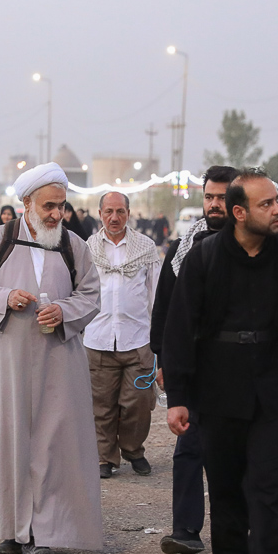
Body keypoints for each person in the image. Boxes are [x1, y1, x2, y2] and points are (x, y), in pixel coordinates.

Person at [163, 168, 278, 554]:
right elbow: (179, 331)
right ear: (238, 212)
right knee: (227, 491)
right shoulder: (205, 257)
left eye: (277, 201)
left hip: (272, 393)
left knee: (269, 491)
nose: (277, 210)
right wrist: (179, 397)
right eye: (267, 204)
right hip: (218, 393)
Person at [0, 162, 102, 554]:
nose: (57, 213)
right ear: (27, 204)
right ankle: (13, 528)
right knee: (10, 439)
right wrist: (4, 298)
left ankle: (44, 533)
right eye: (49, 206)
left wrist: (63, 312)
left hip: (60, 361)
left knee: (54, 444)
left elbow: (91, 295)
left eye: (62, 206)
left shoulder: (74, 245)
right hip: (9, 361)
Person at [150, 164, 237, 554]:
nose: (215, 204)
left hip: (242, 370)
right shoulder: (187, 245)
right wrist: (163, 359)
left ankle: (241, 535)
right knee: (188, 447)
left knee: (239, 456)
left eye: (222, 197)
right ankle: (185, 531)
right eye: (209, 197)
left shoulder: (261, 245)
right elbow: (166, 308)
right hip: (196, 367)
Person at [84, 191, 161, 479]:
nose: (114, 217)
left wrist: (159, 336)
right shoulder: (87, 248)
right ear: (100, 213)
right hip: (97, 338)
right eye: (108, 212)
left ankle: (133, 449)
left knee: (138, 404)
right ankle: (104, 457)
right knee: (100, 405)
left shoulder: (146, 248)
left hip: (138, 338)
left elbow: (156, 293)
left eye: (120, 211)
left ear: (129, 213)